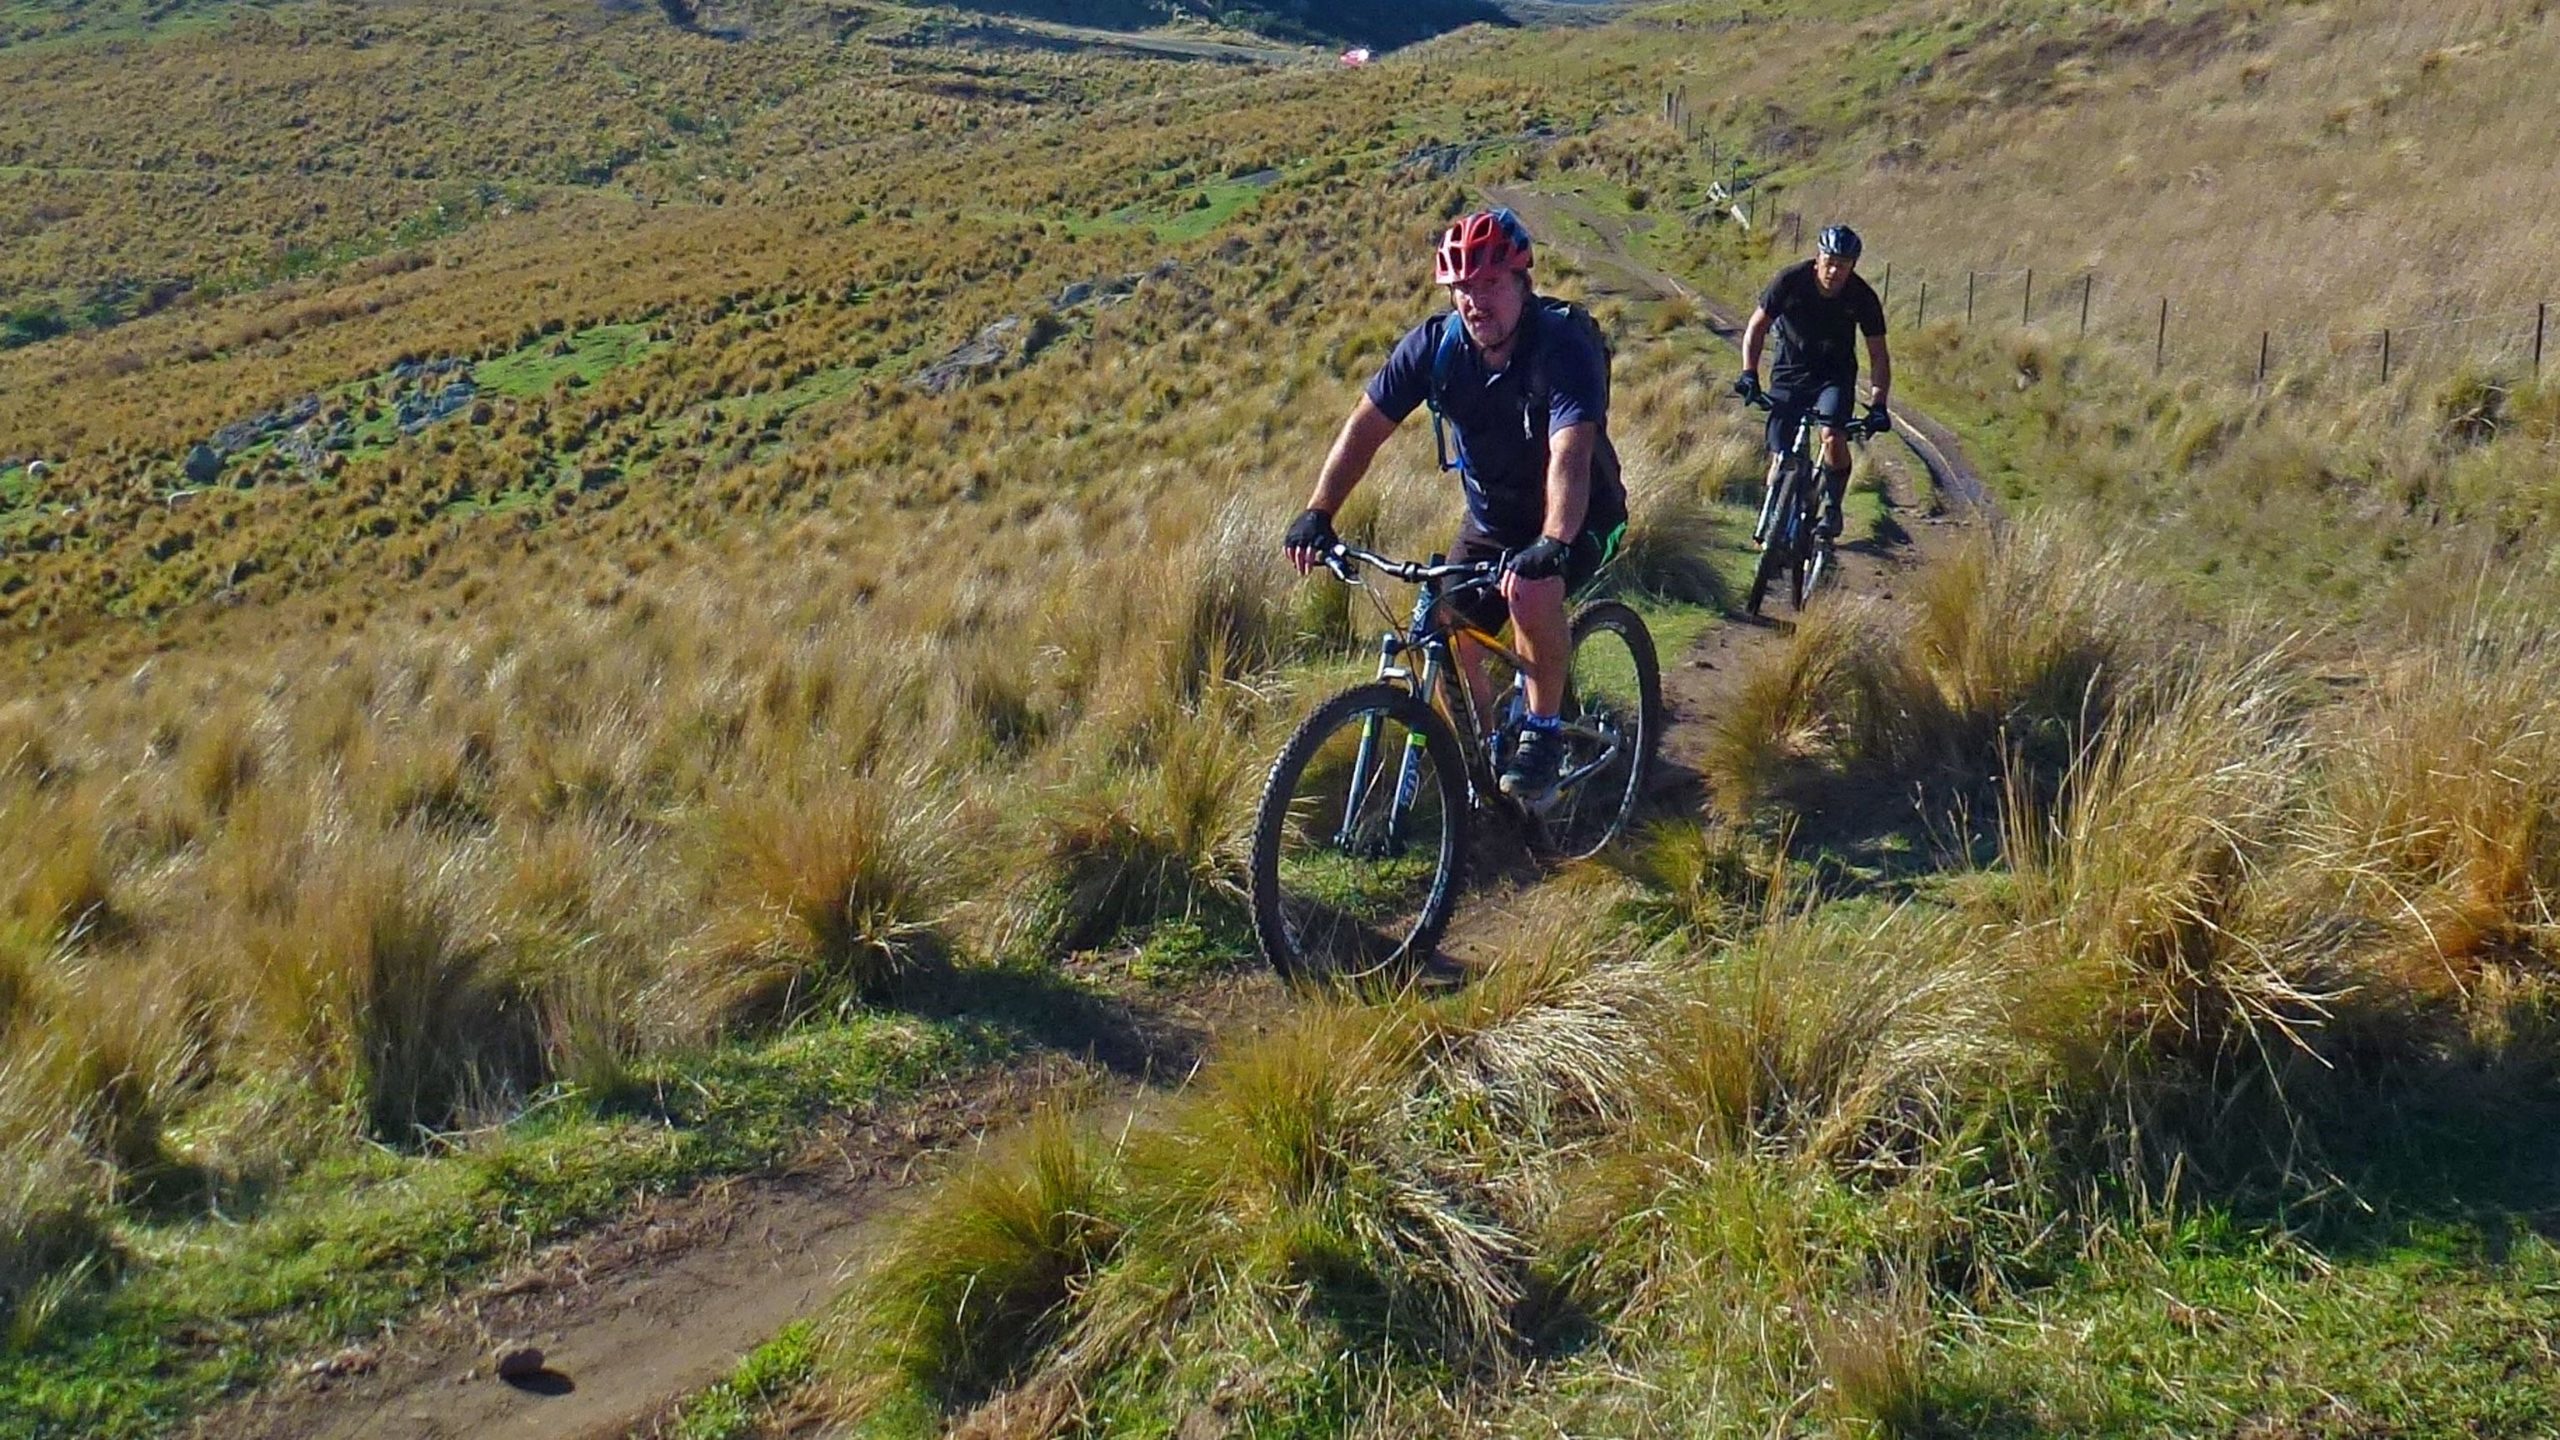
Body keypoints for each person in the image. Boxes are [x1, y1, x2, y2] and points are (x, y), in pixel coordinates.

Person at [1281, 208, 1628, 802]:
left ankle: (1543, 733)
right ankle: (1487, 758)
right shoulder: (1435, 348)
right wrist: (1319, 511)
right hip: (1491, 520)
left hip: (1581, 514)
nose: (1475, 302)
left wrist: (1553, 543)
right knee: (1446, 623)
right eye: (1462, 288)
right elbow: (1365, 428)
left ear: (1523, 281)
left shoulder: (1563, 347)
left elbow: (1570, 453)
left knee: (1529, 591)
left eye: (1489, 284)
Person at [1733, 224, 1891, 548]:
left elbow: (1878, 354)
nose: (1834, 270)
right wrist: (1749, 372)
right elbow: (1756, 327)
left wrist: (1878, 404)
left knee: (1832, 435)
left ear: (1852, 267)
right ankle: (1773, 520)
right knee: (1780, 456)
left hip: (1834, 377)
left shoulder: (1862, 297)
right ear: (1817, 257)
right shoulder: (1790, 281)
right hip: (1789, 374)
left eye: (1843, 265)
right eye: (1829, 261)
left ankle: (1832, 507)